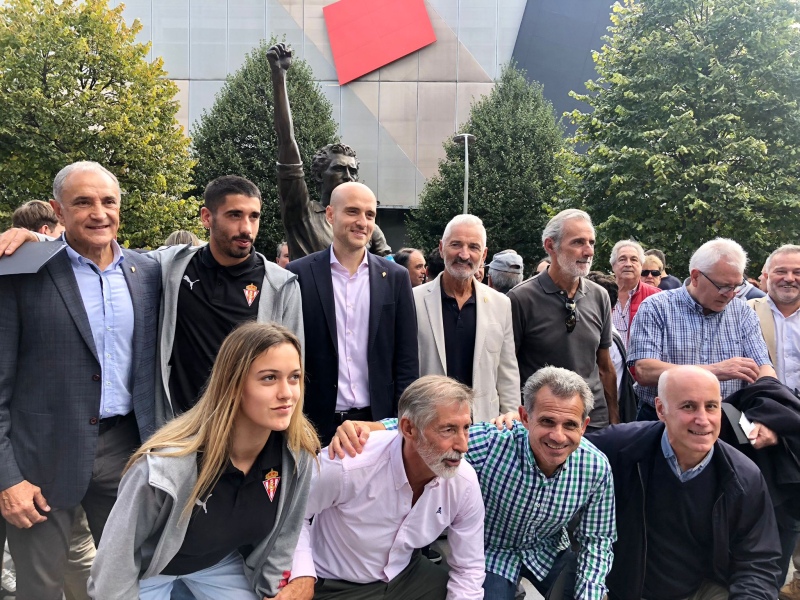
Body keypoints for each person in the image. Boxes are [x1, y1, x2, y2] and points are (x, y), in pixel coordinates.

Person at [0, 176, 306, 427]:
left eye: (254, 217)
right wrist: (36, 241)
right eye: (235, 216)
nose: (246, 229)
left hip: (247, 426)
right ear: (206, 218)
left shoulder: (280, 285)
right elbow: (103, 250)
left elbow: (296, 370)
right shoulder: (169, 267)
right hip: (181, 429)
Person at [0, 161, 161, 600]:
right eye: (83, 202)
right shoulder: (21, 272)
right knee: (40, 590)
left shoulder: (147, 274)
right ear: (58, 209)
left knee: (125, 585)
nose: (99, 213)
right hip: (40, 460)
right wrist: (6, 477)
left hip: (127, 452)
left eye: (108, 201)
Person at [331, 366, 617, 600]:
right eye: (547, 421)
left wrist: (590, 594)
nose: (557, 436)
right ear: (525, 417)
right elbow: (429, 431)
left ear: (584, 425)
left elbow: (597, 540)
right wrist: (366, 428)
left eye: (570, 425)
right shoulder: (494, 441)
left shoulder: (595, 467)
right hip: (492, 554)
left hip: (548, 552)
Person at [88, 322, 320, 599]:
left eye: (294, 377)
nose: (287, 393)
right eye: (269, 378)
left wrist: (271, 591)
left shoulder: (297, 454)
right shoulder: (164, 467)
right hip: (147, 570)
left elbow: (284, 537)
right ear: (233, 385)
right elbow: (115, 561)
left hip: (218, 563)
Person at [588, 366, 783, 600]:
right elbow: (562, 448)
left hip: (702, 589)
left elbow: (758, 562)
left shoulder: (743, 477)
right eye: (688, 406)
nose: (703, 420)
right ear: (661, 409)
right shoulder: (620, 448)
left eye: (711, 406)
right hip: (626, 586)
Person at [288, 376, 485, 599]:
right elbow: (291, 513)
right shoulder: (349, 462)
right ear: (408, 428)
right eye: (448, 430)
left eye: (466, 428)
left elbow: (469, 568)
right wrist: (302, 575)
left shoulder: (464, 482)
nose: (463, 445)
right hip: (336, 585)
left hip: (407, 578)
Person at [286, 181, 418, 445]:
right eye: (353, 212)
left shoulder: (395, 278)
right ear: (330, 215)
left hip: (376, 425)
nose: (362, 222)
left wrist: (399, 420)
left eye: (370, 215)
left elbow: (406, 360)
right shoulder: (298, 275)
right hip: (313, 424)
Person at [628, 238, 776, 422]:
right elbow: (644, 371)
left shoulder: (743, 312)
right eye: (722, 287)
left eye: (736, 287)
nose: (730, 295)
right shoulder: (656, 307)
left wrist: (766, 418)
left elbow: (764, 369)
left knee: (745, 449)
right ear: (696, 277)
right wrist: (715, 370)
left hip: (731, 416)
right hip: (664, 418)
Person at [268, 43, 390, 260]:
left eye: (353, 171)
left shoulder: (368, 227)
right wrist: (279, 75)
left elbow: (387, 274)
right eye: (339, 168)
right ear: (318, 175)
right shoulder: (303, 214)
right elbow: (286, 141)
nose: (348, 176)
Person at [508, 209, 619, 430]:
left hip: (592, 422)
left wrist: (614, 421)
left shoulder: (600, 296)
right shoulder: (520, 298)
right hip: (545, 424)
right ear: (550, 246)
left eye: (591, 242)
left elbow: (605, 367)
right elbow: (509, 369)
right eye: (578, 242)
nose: (588, 251)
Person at [414, 215, 520, 422]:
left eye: (473, 247)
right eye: (456, 245)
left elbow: (507, 370)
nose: (464, 255)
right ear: (442, 247)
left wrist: (511, 414)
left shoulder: (501, 304)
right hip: (429, 423)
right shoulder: (413, 300)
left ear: (484, 254)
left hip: (483, 426)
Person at [746, 244, 800, 588]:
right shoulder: (743, 313)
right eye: (780, 271)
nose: (789, 278)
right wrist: (750, 426)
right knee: (775, 515)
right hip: (764, 430)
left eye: (797, 272)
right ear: (764, 276)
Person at [586, 272, 639, 423]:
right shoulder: (612, 332)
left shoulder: (606, 339)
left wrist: (613, 420)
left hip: (598, 419)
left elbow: (609, 380)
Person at [610, 240, 660, 349]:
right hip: (604, 364)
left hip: (640, 364)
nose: (628, 264)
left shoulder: (657, 297)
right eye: (622, 259)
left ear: (641, 265)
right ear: (613, 266)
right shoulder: (600, 294)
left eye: (634, 259)